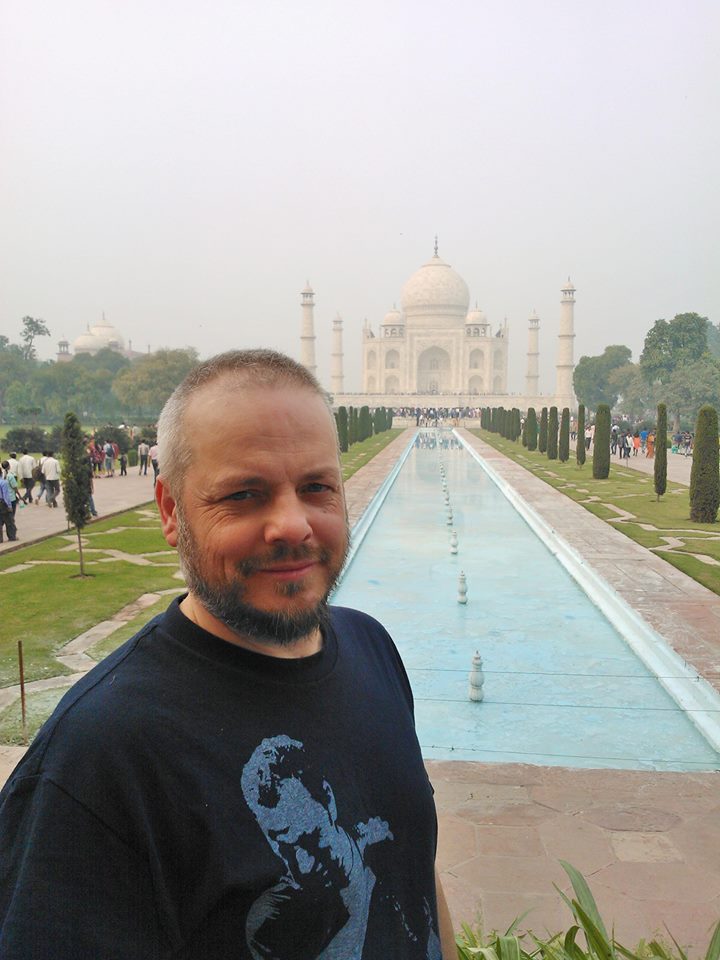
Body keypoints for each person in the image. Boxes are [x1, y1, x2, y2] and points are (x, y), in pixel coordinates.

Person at [0, 349, 454, 959]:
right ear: (171, 511)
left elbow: (417, 867)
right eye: (245, 494)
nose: (293, 524)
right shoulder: (100, 756)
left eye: (316, 487)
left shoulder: (372, 649)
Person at [0, 471, 17, 542]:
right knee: (9, 521)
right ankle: (12, 536)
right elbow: (6, 496)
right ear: (1, 473)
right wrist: (9, 506)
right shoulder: (3, 482)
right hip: (2, 503)